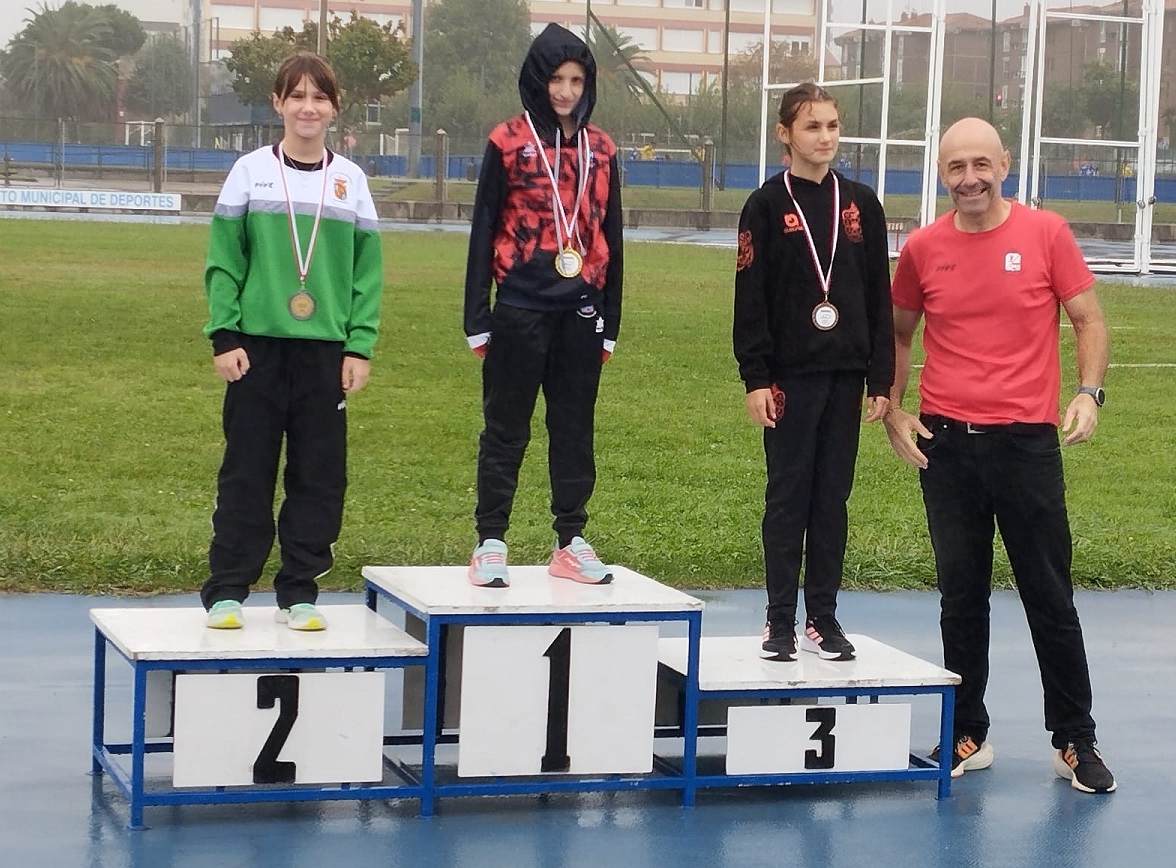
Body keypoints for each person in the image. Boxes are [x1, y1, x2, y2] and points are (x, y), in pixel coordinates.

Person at [883, 117, 1115, 793]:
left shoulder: (1046, 234)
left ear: (1004, 165)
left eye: (981, 164)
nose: (970, 178)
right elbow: (898, 335)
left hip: (1026, 444)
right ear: (941, 175)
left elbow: (1088, 319)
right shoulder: (923, 248)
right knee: (961, 596)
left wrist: (1089, 393)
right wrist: (894, 409)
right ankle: (968, 729)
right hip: (946, 445)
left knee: (1049, 594)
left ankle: (1074, 739)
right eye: (956, 167)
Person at [200, 52, 383, 631]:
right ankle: (228, 589)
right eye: (296, 95)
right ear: (277, 103)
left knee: (319, 475)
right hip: (256, 348)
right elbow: (224, 263)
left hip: (324, 354)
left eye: (319, 97)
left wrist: (359, 345)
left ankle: (299, 590)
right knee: (246, 470)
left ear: (335, 107)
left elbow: (366, 275)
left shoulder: (350, 182)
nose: (308, 107)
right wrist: (223, 335)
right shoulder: (249, 172)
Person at [733, 83, 894, 663]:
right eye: (811, 127)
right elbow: (749, 298)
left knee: (832, 499)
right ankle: (779, 619)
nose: (824, 137)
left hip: (847, 374)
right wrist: (755, 377)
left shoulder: (861, 203)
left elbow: (878, 294)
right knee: (787, 497)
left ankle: (822, 619)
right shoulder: (765, 205)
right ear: (785, 134)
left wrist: (882, 380)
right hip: (788, 378)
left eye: (831, 126)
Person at [463, 23, 623, 588]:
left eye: (577, 79)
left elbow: (614, 233)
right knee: (505, 428)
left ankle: (569, 539)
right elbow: (484, 227)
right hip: (519, 306)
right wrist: (476, 317)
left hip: (581, 307)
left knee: (574, 427)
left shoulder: (601, 148)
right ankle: (490, 541)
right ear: (538, 79)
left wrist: (612, 322)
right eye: (556, 78)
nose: (566, 90)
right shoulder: (507, 140)